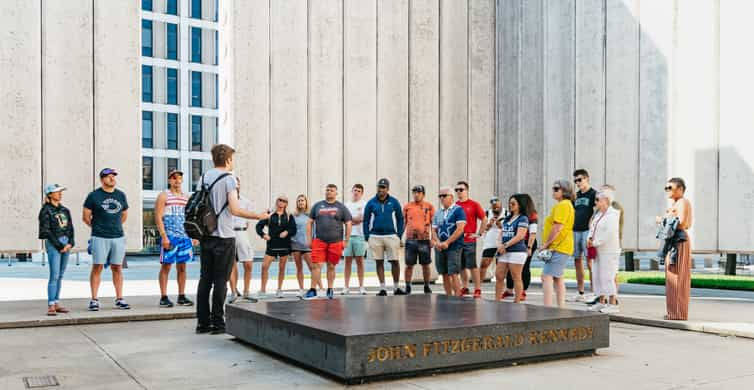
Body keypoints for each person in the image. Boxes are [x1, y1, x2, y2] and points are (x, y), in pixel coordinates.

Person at [196, 145, 269, 335]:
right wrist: (258, 216)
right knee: (221, 280)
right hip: (224, 236)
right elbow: (235, 210)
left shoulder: (203, 178)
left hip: (206, 236)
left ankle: (202, 323)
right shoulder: (229, 179)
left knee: (205, 280)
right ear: (228, 159)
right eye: (232, 159)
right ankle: (218, 323)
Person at [83, 168, 130, 311]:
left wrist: (113, 226)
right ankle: (94, 299)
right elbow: (86, 217)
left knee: (117, 268)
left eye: (113, 176)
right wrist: (98, 227)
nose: (112, 179)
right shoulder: (93, 196)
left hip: (118, 236)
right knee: (97, 267)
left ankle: (119, 298)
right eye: (109, 176)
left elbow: (124, 215)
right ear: (102, 179)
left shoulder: (121, 195)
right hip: (99, 236)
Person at [155, 169, 195, 308]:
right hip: (170, 237)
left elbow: (190, 218)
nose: (177, 181)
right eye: (174, 178)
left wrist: (193, 236)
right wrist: (164, 236)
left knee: (182, 267)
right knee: (166, 266)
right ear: (169, 180)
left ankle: (182, 296)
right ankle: (164, 296)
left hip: (184, 237)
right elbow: (158, 217)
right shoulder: (164, 196)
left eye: (179, 178)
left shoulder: (187, 197)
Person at [305, 184, 352, 300]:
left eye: (331, 190)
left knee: (331, 266)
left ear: (336, 193)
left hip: (335, 242)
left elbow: (348, 223)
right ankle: (312, 290)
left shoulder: (341, 207)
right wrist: (309, 239)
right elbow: (309, 223)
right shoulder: (317, 206)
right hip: (319, 241)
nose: (329, 192)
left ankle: (330, 289)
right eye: (327, 190)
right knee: (316, 265)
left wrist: (346, 240)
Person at [363, 178, 405, 296]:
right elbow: (365, 220)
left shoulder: (394, 202)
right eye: (379, 187)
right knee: (379, 262)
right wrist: (367, 235)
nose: (381, 189)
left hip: (391, 235)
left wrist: (399, 235)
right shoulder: (371, 202)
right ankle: (382, 288)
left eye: (383, 187)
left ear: (387, 189)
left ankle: (396, 288)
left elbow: (400, 218)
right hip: (375, 236)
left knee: (394, 262)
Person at [38, 184, 74, 316]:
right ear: (49, 194)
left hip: (66, 243)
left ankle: (57, 303)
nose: (60, 193)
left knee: (60, 275)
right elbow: (45, 231)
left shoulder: (65, 210)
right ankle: (51, 305)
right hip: (54, 244)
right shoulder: (45, 210)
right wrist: (60, 246)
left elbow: (70, 228)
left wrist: (70, 243)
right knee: (54, 275)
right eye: (57, 192)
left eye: (60, 191)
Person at [660, 177, 693, 320]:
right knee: (672, 278)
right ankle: (672, 312)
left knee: (678, 278)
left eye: (670, 188)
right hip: (672, 242)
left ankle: (678, 313)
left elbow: (683, 223)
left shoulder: (683, 202)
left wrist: (663, 220)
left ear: (680, 189)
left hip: (679, 242)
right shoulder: (675, 203)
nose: (667, 190)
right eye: (666, 188)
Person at [541, 180, 576, 308]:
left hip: (558, 246)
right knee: (558, 277)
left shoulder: (562, 205)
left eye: (557, 189)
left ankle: (548, 308)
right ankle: (561, 307)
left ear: (564, 191)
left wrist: (546, 244)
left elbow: (557, 227)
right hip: (563, 246)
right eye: (553, 188)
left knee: (546, 276)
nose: (553, 191)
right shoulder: (567, 205)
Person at [587, 189, 621, 314]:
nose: (595, 202)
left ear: (606, 200)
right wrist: (589, 240)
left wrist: (595, 242)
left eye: (598, 200)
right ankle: (601, 301)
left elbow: (609, 233)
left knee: (608, 276)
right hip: (597, 251)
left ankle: (612, 303)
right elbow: (592, 228)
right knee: (597, 276)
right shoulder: (599, 214)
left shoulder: (613, 215)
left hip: (608, 251)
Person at [256, 195, 296, 298]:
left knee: (282, 268)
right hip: (272, 245)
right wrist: (263, 235)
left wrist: (287, 232)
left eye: (284, 201)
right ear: (277, 201)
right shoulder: (270, 214)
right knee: (264, 267)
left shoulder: (289, 216)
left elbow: (293, 229)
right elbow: (258, 226)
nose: (282, 202)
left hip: (284, 245)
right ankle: (263, 290)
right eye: (280, 200)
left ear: (286, 204)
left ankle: (279, 290)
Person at [502, 193, 538, 301]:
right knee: (510, 267)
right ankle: (509, 289)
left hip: (526, 243)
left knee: (524, 268)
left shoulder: (532, 215)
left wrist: (529, 247)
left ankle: (522, 291)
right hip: (513, 242)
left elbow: (532, 232)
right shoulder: (513, 213)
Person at [432, 187, 467, 296]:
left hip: (454, 246)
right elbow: (433, 229)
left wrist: (447, 242)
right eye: (440, 196)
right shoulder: (438, 212)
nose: (441, 198)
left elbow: (460, 229)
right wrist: (437, 242)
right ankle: (448, 296)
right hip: (440, 247)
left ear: (451, 197)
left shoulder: (458, 210)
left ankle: (457, 297)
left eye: (444, 195)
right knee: (444, 273)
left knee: (453, 273)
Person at [495, 194, 530, 303]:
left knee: (516, 276)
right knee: (499, 275)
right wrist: (500, 245)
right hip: (504, 251)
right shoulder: (507, 218)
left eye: (513, 203)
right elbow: (502, 232)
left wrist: (505, 245)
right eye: (510, 203)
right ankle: (497, 300)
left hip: (517, 251)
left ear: (520, 205)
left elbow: (520, 235)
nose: (510, 206)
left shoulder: (523, 218)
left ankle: (517, 301)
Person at [455, 181, 486, 298]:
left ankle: (477, 289)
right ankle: (465, 287)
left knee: (472, 265)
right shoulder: (455, 206)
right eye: (456, 190)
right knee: (461, 266)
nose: (459, 192)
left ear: (467, 190)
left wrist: (479, 234)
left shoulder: (474, 204)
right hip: (458, 241)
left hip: (469, 241)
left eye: (461, 189)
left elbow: (484, 218)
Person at [569, 169, 597, 303]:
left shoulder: (593, 194)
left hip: (587, 231)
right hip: (575, 230)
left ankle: (594, 292)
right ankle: (581, 292)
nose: (578, 183)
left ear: (587, 178)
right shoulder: (576, 195)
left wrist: (592, 231)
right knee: (577, 260)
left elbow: (596, 212)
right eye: (575, 181)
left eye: (580, 180)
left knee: (590, 262)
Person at [402, 185, 436, 294]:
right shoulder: (407, 206)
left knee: (425, 265)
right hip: (410, 240)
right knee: (409, 265)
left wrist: (433, 238)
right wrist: (399, 238)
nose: (416, 194)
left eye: (418, 192)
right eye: (414, 192)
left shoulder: (429, 206)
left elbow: (433, 224)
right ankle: (407, 286)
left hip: (424, 240)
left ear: (423, 194)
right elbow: (403, 223)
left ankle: (427, 285)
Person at [228, 177, 256, 303]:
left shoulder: (246, 202)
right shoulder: (226, 201)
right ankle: (233, 292)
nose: (236, 186)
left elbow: (248, 221)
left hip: (242, 233)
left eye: (237, 184)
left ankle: (246, 292)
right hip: (229, 233)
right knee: (231, 264)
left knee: (248, 264)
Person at [291, 194, 320, 297]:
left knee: (313, 267)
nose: (300, 202)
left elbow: (315, 230)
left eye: (302, 200)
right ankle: (301, 289)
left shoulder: (311, 216)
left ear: (306, 202)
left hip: (308, 246)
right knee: (299, 268)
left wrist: (313, 242)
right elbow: (291, 230)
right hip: (295, 246)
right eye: (299, 201)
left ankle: (319, 287)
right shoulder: (293, 216)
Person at [342, 184, 368, 295]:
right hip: (347, 237)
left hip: (360, 236)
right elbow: (344, 220)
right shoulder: (346, 205)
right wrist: (352, 221)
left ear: (361, 193)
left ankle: (361, 286)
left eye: (358, 190)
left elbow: (361, 218)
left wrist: (350, 221)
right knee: (347, 262)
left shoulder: (364, 204)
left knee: (360, 262)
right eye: (355, 190)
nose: (356, 192)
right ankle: (346, 286)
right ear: (352, 191)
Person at [479, 201, 503, 286]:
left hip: (502, 242)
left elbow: (509, 228)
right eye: (493, 207)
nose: (495, 208)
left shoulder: (506, 213)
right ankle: (478, 287)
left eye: (497, 206)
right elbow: (483, 229)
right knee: (484, 263)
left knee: (501, 266)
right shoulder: (487, 213)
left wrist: (500, 225)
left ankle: (502, 287)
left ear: (501, 205)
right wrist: (489, 225)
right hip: (490, 242)